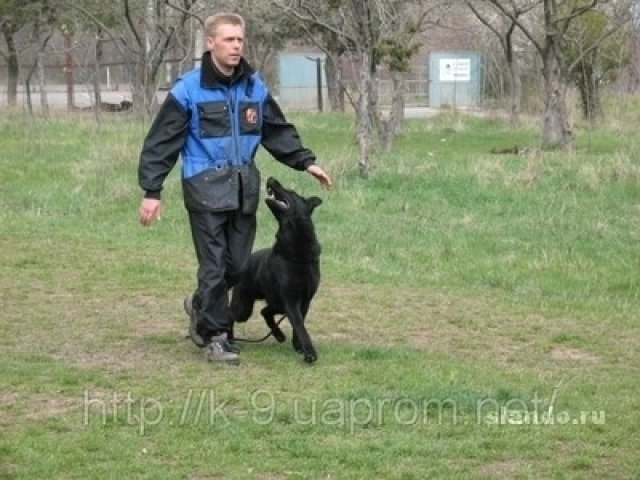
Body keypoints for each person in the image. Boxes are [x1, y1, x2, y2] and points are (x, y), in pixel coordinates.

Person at [137, 12, 332, 365]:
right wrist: (152, 191)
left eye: (239, 39)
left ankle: (200, 305)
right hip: (204, 191)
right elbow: (161, 143)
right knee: (213, 267)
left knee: (239, 269)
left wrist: (305, 161)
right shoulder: (188, 90)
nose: (236, 46)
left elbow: (275, 128)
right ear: (210, 43)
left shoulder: (253, 87)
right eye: (228, 39)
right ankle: (216, 337)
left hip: (244, 192)